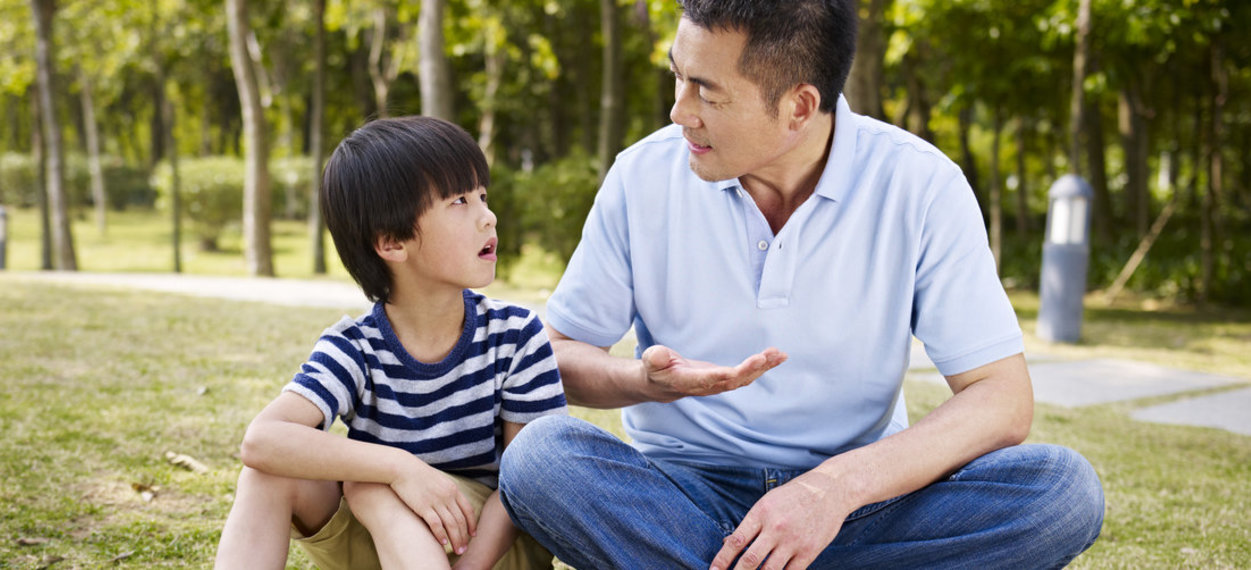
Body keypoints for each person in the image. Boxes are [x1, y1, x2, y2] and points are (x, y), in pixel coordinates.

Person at [497, 1, 1106, 569]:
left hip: (861, 506)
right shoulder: (642, 176)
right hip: (681, 496)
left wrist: (829, 492)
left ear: (797, 105)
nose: (679, 111)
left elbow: (1000, 398)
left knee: (1061, 492)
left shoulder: (921, 185)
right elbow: (560, 355)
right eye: (678, 77)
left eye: (705, 91)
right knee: (541, 460)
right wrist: (644, 383)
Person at [215, 116, 567, 570]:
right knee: (274, 475)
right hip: (385, 540)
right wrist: (400, 469)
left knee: (371, 489)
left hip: (491, 547)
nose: (488, 215)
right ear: (392, 242)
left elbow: (530, 481)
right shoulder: (355, 346)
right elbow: (262, 440)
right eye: (460, 200)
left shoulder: (515, 335)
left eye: (482, 195)